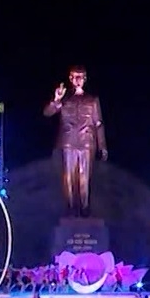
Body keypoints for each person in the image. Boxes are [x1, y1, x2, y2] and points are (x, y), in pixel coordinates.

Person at [42, 65, 107, 217]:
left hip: (86, 143)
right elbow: (48, 113)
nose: (78, 80)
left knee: (84, 177)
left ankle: (84, 207)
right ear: (70, 79)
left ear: (85, 79)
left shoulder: (92, 100)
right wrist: (56, 100)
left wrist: (102, 146)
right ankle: (71, 207)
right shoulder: (65, 99)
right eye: (75, 77)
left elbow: (98, 123)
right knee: (69, 177)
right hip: (68, 142)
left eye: (81, 77)